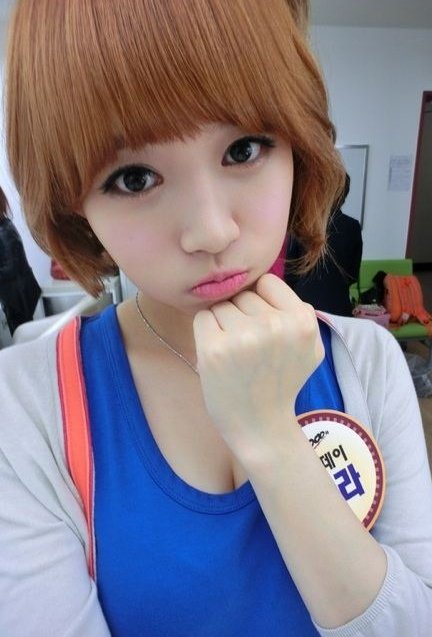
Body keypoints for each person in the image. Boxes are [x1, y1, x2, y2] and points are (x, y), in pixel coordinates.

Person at [0, 1, 431, 636]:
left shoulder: (364, 359)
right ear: (75, 204)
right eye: (134, 178)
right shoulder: (28, 404)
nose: (211, 231)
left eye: (243, 148)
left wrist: (270, 437)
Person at [285, 174, 363, 316]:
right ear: (345, 195)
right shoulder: (352, 226)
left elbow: (290, 271)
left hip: (304, 306)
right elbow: (353, 274)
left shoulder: (303, 223)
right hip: (339, 305)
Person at [0, 185, 41, 334]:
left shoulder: (4, 230)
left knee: (22, 334)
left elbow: (13, 267)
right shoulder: (5, 227)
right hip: (17, 295)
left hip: (18, 297)